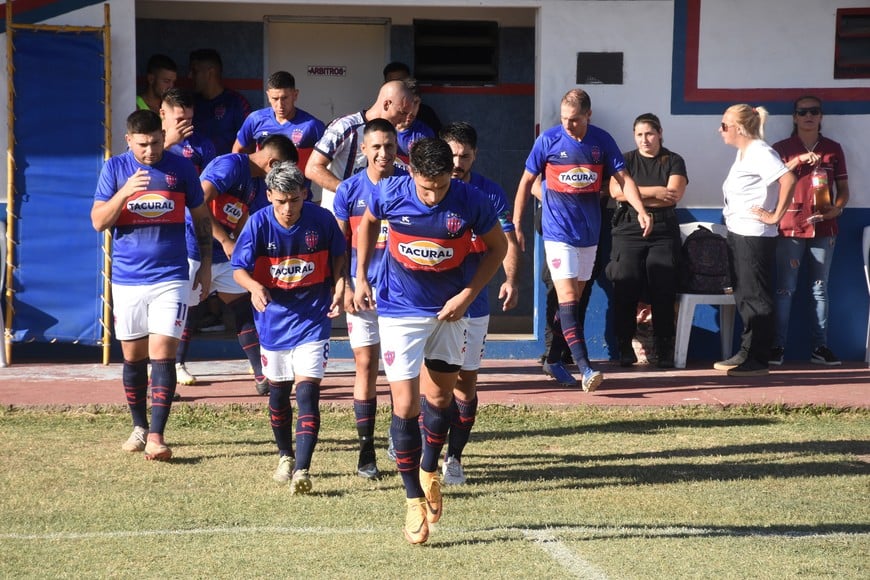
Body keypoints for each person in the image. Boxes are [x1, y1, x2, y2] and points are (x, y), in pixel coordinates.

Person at [353, 138, 507, 544]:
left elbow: (498, 248)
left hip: (449, 311)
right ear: (412, 173)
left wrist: (467, 296)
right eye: (426, 186)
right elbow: (367, 222)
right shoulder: (389, 191)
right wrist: (361, 274)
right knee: (405, 404)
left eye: (441, 185)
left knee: (440, 400)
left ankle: (428, 467)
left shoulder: (470, 200)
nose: (434, 193)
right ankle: (411, 499)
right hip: (400, 310)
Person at [91, 109, 213, 461]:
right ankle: (139, 426)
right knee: (133, 356)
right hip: (128, 279)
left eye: (156, 143)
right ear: (128, 141)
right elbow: (99, 221)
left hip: (171, 276)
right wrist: (125, 193)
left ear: (163, 136)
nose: (150, 151)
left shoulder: (181, 169)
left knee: (163, 354)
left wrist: (205, 266)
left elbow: (202, 218)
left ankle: (158, 436)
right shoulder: (114, 170)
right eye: (143, 145)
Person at [513, 89, 651, 392]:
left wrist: (641, 209)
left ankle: (553, 358)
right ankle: (586, 368)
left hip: (588, 233)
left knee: (572, 303)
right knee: (567, 299)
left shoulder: (601, 141)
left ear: (588, 116)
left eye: (574, 119)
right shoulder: (548, 140)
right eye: (564, 119)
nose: (568, 125)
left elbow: (624, 179)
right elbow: (525, 182)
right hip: (557, 232)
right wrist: (517, 222)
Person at [231, 161, 346, 494]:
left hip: (313, 318)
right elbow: (239, 268)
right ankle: (285, 454)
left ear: (305, 195)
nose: (288, 208)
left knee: (308, 393)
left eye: (294, 200)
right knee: (279, 394)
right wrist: (254, 287)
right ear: (269, 196)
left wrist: (340, 284)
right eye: (280, 201)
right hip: (273, 320)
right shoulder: (258, 224)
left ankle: (302, 469)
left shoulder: (321, 221)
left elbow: (340, 255)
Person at [437, 121, 519, 485]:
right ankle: (419, 447)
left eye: (464, 155)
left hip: (473, 304)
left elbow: (508, 241)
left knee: (464, 381)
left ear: (475, 155)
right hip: (428, 304)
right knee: (427, 382)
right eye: (451, 154)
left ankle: (454, 457)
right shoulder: (425, 189)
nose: (457, 162)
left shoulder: (490, 193)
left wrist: (512, 279)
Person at [333, 119, 406, 480]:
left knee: (400, 370)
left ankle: (398, 438)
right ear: (363, 149)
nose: (383, 153)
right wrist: (345, 284)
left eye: (389, 146)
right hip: (362, 291)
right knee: (366, 365)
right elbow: (338, 246)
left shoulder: (409, 186)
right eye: (375, 146)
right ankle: (365, 450)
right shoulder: (348, 190)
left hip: (403, 295)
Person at [196, 134, 298, 394]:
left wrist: (239, 244)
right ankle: (170, 369)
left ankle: (261, 374)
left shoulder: (256, 182)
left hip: (225, 254)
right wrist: (225, 241)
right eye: (282, 170)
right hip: (194, 248)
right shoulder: (230, 165)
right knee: (184, 309)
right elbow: (198, 201)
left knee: (244, 307)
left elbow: (242, 216)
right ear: (273, 163)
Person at [715, 104, 795, 377]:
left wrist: (775, 216)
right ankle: (746, 351)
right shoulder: (744, 153)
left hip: (754, 235)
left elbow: (788, 178)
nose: (720, 130)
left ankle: (758, 359)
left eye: (724, 125)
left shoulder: (761, 152)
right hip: (739, 232)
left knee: (756, 297)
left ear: (738, 127)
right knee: (743, 294)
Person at [770, 96, 849, 367]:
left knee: (819, 289)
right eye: (802, 112)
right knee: (784, 289)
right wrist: (796, 161)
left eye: (814, 111)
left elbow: (844, 190)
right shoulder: (782, 149)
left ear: (821, 116)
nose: (808, 116)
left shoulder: (833, 149)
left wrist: (836, 209)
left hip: (824, 228)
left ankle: (820, 347)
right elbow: (768, 180)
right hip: (790, 226)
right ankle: (776, 347)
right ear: (794, 117)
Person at [607, 113, 688, 369]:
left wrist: (634, 194)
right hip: (628, 228)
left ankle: (664, 347)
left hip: (663, 230)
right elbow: (615, 192)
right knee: (625, 283)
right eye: (639, 134)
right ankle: (624, 347)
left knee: (663, 287)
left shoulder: (673, 160)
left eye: (650, 134)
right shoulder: (626, 160)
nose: (645, 139)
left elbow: (673, 196)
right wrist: (654, 192)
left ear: (660, 133)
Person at [158, 88, 217, 386]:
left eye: (190, 119)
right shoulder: (150, 145)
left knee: (187, 304)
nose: (186, 125)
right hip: (155, 240)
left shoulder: (204, 146)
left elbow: (209, 195)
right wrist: (169, 143)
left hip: (190, 237)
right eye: (179, 119)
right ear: (163, 115)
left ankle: (178, 362)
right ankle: (153, 367)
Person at [305, 80, 413, 209]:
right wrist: (348, 192)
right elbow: (312, 168)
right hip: (339, 216)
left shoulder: (393, 133)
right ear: (386, 104)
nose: (405, 120)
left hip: (371, 218)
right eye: (402, 112)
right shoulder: (345, 127)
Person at [232, 71, 326, 187]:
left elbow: (329, 161)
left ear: (295, 95)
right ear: (268, 96)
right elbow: (238, 151)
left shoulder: (312, 126)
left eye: (284, 98)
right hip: (261, 194)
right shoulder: (255, 119)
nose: (280, 105)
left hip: (295, 196)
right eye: (275, 98)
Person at [189, 48, 252, 155]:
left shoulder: (237, 103)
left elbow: (249, 145)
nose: (189, 76)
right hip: (195, 170)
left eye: (195, 72)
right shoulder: (189, 104)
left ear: (210, 73)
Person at [383, 61, 442, 134]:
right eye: (394, 83)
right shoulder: (381, 114)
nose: (399, 87)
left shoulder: (425, 113)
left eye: (402, 82)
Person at [395, 79, 435, 164]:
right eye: (407, 102)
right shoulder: (382, 129)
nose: (411, 109)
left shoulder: (425, 133)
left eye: (416, 102)